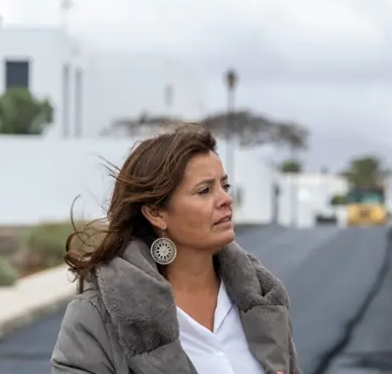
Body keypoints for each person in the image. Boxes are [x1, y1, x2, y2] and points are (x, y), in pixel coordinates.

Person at [51, 123, 301, 374]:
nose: (226, 199)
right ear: (156, 213)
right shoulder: (94, 317)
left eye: (224, 186)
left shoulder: (263, 298)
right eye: (204, 191)